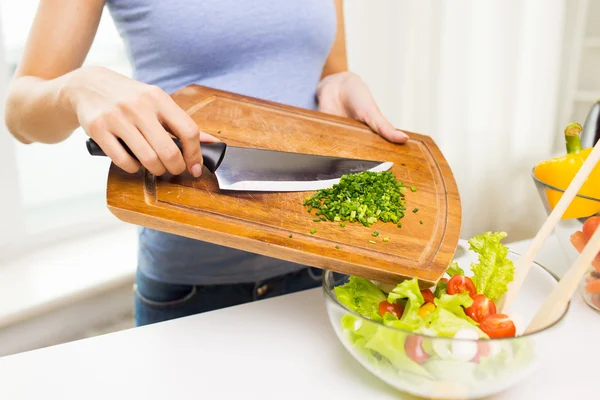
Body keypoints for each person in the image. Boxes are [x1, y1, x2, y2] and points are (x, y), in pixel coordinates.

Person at [4, 0, 408, 327]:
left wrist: (340, 82)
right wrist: (78, 87)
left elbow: (329, 72)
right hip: (193, 288)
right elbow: (20, 112)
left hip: (321, 268)